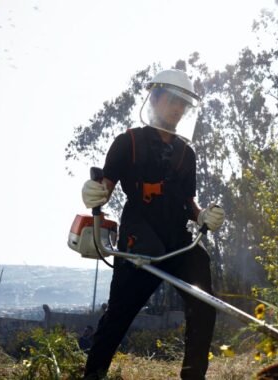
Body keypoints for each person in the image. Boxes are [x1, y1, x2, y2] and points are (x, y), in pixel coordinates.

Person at [81, 68, 225, 380]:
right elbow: (104, 188)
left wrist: (201, 215)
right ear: (155, 97)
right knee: (120, 313)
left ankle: (193, 375)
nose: (178, 108)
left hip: (178, 241)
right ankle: (93, 374)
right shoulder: (128, 142)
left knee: (204, 305)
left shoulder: (187, 154)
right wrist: (93, 193)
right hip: (139, 239)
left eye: (183, 104)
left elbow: (188, 201)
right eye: (173, 100)